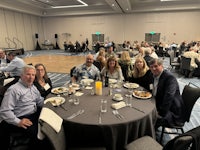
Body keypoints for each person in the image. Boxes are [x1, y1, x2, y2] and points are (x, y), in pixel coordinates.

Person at [0, 65, 44, 150]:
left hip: (33, 113)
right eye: (28, 74)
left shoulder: (32, 87)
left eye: (33, 75)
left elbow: (39, 101)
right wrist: (18, 122)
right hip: (20, 117)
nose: (31, 77)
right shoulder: (14, 90)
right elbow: (5, 111)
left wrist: (50, 104)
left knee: (47, 125)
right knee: (38, 133)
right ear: (21, 75)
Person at [149, 58, 186, 129]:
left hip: (171, 110)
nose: (153, 69)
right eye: (151, 67)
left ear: (161, 66)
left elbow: (168, 97)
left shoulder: (169, 78)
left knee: (151, 118)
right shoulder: (152, 75)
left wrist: (160, 113)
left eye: (156, 66)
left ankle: (149, 134)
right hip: (158, 103)